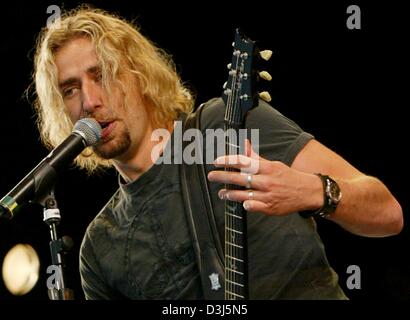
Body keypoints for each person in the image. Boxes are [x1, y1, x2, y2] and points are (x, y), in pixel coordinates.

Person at [32, 6, 403, 299]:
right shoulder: (100, 250)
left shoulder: (225, 126)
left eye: (102, 75)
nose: (90, 101)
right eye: (70, 89)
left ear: (138, 74)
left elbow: (387, 213)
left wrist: (313, 191)